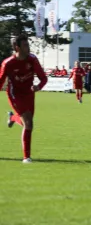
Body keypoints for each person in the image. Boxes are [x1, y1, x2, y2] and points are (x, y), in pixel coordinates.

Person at [0, 34, 48, 163]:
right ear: (17, 47)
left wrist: (38, 86)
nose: (28, 47)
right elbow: (0, 81)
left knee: (26, 123)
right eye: (25, 45)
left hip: (29, 94)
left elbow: (44, 78)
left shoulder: (32, 60)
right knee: (29, 123)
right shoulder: (8, 63)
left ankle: (12, 118)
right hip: (15, 94)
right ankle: (26, 157)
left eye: (28, 44)